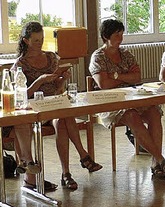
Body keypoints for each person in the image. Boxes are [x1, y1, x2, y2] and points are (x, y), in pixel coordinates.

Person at [12, 21, 102, 191]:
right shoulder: (20, 64)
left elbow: (57, 89)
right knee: (64, 114)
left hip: (54, 104)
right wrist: (39, 81)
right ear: (26, 41)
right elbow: (22, 95)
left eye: (41, 39)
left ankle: (67, 173)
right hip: (35, 107)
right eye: (36, 40)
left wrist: (62, 79)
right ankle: (82, 156)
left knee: (62, 119)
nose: (39, 44)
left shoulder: (51, 57)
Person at [90, 19, 165, 178]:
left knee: (155, 112)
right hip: (109, 102)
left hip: (132, 97)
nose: (120, 38)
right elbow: (104, 84)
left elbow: (137, 77)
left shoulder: (126, 54)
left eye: (121, 34)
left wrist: (116, 76)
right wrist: (125, 77)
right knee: (132, 116)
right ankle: (160, 159)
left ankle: (156, 163)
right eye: (116, 34)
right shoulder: (98, 57)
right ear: (106, 36)